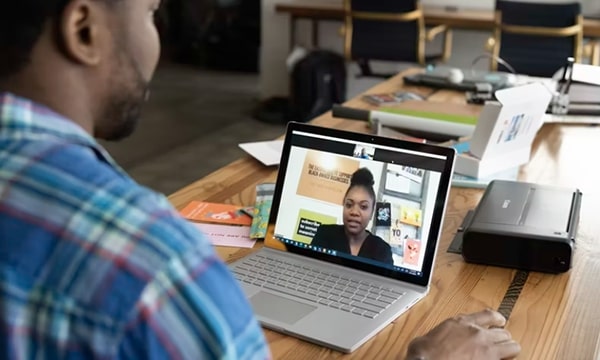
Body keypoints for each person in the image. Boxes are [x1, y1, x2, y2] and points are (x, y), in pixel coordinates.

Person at [0, 1, 520, 359]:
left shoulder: (382, 250)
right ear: (84, 29)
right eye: (151, 12)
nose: (154, 38)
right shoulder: (153, 265)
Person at [311, 168, 394, 265]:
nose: (354, 212)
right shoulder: (324, 234)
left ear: (372, 213)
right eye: (349, 205)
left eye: (363, 207)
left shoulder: (382, 251)